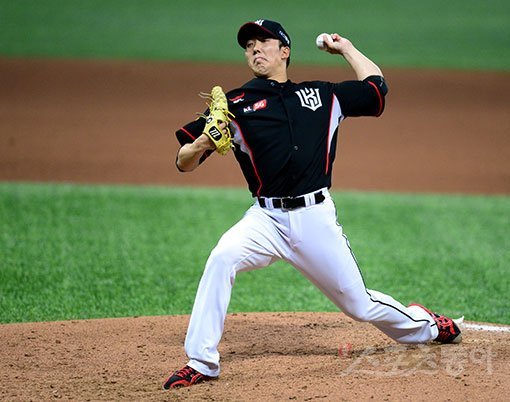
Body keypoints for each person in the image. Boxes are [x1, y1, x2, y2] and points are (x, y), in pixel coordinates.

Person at [163, 19, 461, 389]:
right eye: (249, 45)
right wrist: (201, 144)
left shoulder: (321, 95)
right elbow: (183, 161)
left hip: (315, 218)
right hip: (265, 221)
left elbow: (377, 91)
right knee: (222, 257)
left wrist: (347, 49)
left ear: (284, 51)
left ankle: (426, 325)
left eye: (264, 42)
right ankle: (202, 361)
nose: (255, 49)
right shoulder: (235, 106)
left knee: (359, 305)